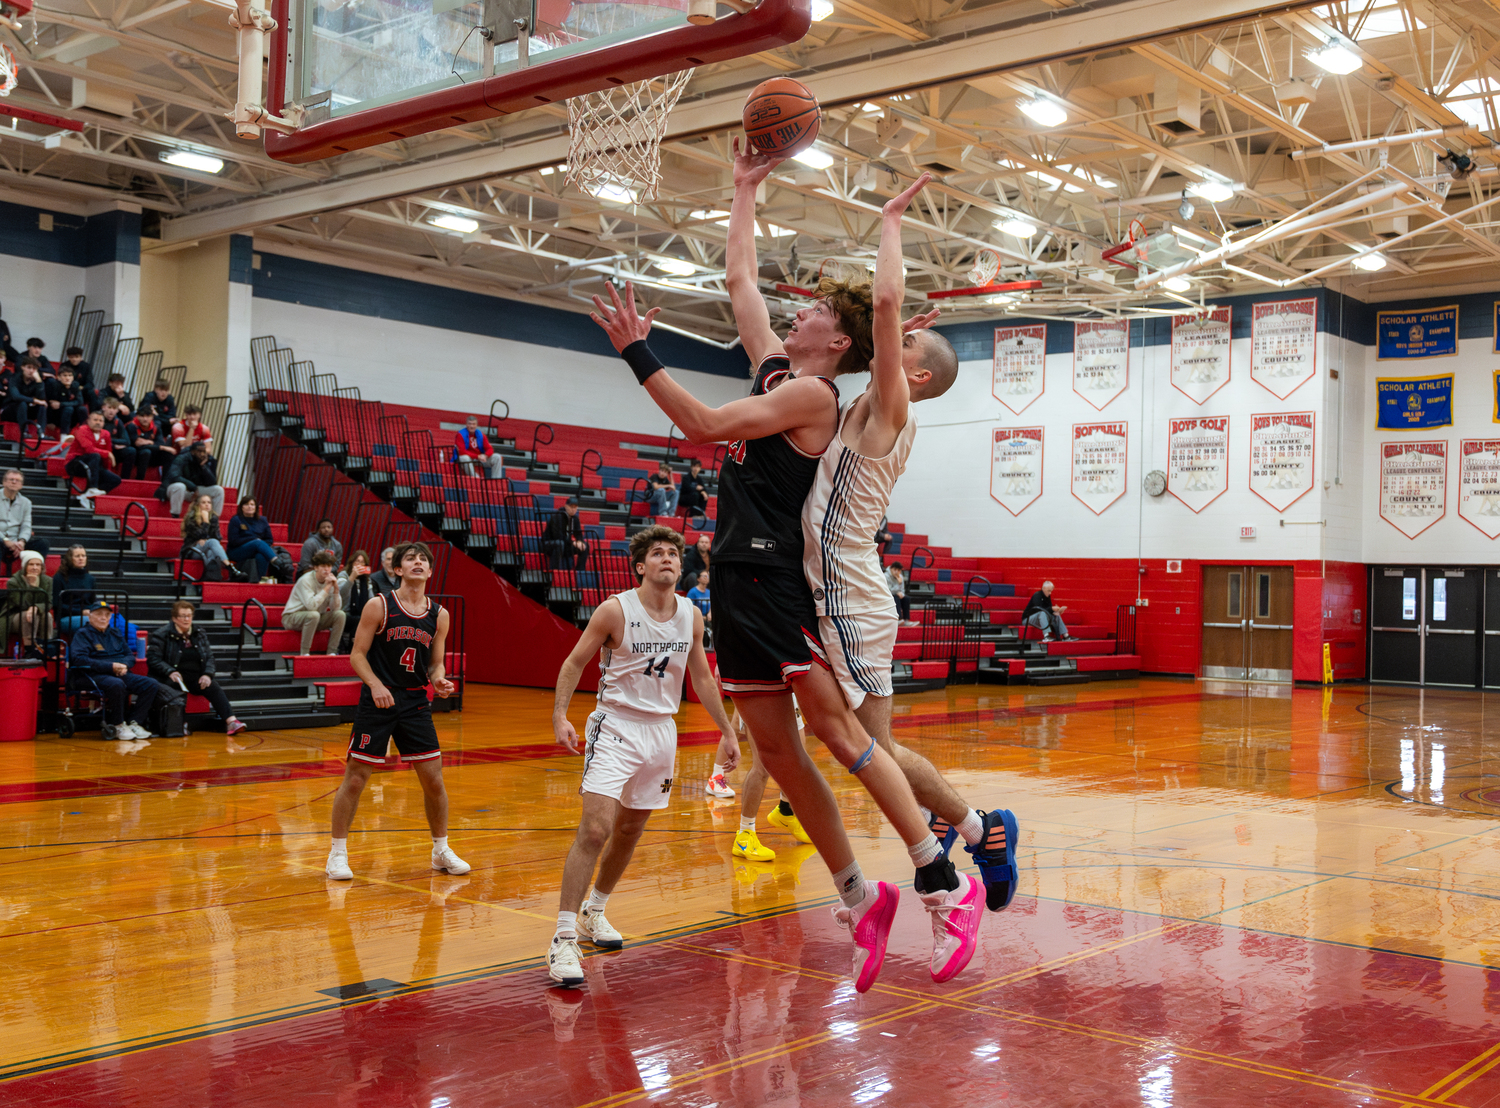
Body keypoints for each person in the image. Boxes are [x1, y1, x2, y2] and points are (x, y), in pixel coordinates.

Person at [588, 199, 967, 991]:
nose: (799, 311)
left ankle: (943, 873)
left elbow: (698, 423)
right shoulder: (781, 375)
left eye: (820, 311)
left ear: (839, 343)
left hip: (783, 582)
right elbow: (740, 285)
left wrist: (638, 351)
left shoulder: (815, 400)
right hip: (735, 582)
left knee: (843, 736)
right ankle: (862, 897)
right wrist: (744, 187)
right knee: (783, 756)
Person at [791, 174, 1017, 923]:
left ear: (916, 375)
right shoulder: (866, 399)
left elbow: (885, 307)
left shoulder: (892, 407)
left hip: (850, 594)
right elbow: (877, 323)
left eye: (908, 344)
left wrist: (890, 224)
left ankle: (977, 836)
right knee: (866, 749)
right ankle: (982, 832)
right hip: (838, 589)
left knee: (872, 752)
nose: (897, 336)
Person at [545, 525, 738, 986]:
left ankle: (596, 910)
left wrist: (727, 730)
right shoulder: (616, 610)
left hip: (661, 732)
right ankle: (563, 939)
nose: (668, 559)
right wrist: (559, 717)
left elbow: (703, 679)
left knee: (631, 829)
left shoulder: (691, 614)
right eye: (657, 553)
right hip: (615, 725)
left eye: (674, 553)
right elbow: (574, 662)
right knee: (595, 829)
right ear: (640, 566)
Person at [326, 541, 466, 881]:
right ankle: (337, 854)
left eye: (424, 560)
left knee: (434, 779)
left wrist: (441, 680)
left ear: (430, 571)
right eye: (410, 559)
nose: (418, 563)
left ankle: (440, 849)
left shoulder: (440, 615)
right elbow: (357, 655)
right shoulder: (380, 605)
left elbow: (434, 665)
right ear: (397, 570)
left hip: (415, 702)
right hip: (378, 700)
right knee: (357, 778)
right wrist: (375, 684)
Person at [146, 600, 247, 736]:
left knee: (213, 686)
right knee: (176, 687)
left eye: (189, 615)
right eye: (183, 616)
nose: (187, 619)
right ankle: (180, 724)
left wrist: (207, 674)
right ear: (174, 618)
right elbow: (153, 659)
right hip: (170, 677)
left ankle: (231, 722)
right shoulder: (162, 634)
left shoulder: (199, 632)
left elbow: (209, 657)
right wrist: (170, 671)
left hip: (194, 677)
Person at [69, 600, 158, 740]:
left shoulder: (115, 633)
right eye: (99, 614)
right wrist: (111, 666)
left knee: (150, 684)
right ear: (90, 616)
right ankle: (117, 724)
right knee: (116, 684)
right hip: (90, 675)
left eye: (107, 615)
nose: (103, 618)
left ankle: (135, 722)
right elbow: (79, 659)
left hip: (118, 673)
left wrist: (124, 666)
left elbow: (130, 656)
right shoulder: (82, 634)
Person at [282, 551, 347, 655]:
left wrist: (335, 590)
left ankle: (332, 652)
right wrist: (326, 588)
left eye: (329, 566)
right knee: (313, 614)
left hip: (314, 618)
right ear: (316, 567)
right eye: (323, 566)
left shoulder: (329, 581)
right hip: (291, 617)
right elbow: (311, 606)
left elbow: (336, 608)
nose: (327, 569)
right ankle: (304, 653)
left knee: (340, 615)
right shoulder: (306, 580)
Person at [64, 409, 121, 505]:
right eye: (95, 420)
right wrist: (108, 454)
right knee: (95, 455)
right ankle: (92, 488)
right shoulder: (82, 430)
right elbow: (89, 449)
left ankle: (87, 496)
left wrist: (107, 468)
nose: (98, 423)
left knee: (115, 479)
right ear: (89, 421)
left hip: (93, 466)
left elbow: (107, 455)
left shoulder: (106, 434)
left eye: (100, 421)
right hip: (75, 463)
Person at [0, 468, 48, 572]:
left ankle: (34, 575)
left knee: (42, 543)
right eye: (11, 479)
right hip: (1, 538)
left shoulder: (26, 503)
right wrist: (6, 540)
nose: (14, 482)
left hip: (16, 540)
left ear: (21, 485)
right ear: (4, 482)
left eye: (17, 480)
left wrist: (22, 541)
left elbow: (26, 525)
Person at [5, 549, 52, 658]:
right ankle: (29, 651)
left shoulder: (48, 581)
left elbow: (49, 602)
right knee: (28, 615)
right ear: (25, 566)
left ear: (42, 567)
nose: (35, 567)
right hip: (13, 617)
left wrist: (35, 608)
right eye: (31, 564)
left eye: (38, 565)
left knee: (47, 616)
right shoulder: (14, 582)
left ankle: (46, 648)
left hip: (36, 614)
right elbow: (20, 604)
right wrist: (33, 587)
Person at [161, 440, 224, 516]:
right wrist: (193, 487)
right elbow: (174, 476)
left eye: (204, 452)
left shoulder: (208, 460)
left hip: (195, 491)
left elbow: (213, 482)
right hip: (177, 489)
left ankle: (214, 519)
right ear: (193, 452)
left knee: (219, 490)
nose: (202, 454)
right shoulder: (181, 458)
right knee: (180, 486)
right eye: (199, 451)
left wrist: (203, 467)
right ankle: (175, 515)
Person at [181, 493, 235, 581]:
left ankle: (210, 579)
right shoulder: (191, 519)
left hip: (207, 548)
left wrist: (206, 539)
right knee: (212, 542)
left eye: (209, 502)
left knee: (211, 551)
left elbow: (217, 537)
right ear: (198, 505)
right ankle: (230, 568)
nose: (207, 504)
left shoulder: (213, 518)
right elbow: (199, 536)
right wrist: (205, 522)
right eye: (204, 502)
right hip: (192, 550)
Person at [227, 497, 280, 581]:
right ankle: (276, 561)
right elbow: (233, 541)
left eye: (252, 504)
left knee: (261, 555)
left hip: (257, 549)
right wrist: (253, 540)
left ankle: (259, 581)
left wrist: (257, 543)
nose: (249, 507)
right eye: (246, 504)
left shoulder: (262, 520)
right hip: (237, 551)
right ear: (241, 507)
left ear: (256, 507)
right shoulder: (236, 520)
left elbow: (269, 540)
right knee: (257, 543)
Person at [53, 544, 96, 633]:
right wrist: (81, 612)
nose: (81, 558)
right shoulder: (59, 578)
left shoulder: (90, 579)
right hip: (66, 617)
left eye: (83, 556)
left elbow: (93, 602)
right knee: (88, 622)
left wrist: (91, 611)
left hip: (88, 615)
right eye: (77, 556)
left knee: (114, 621)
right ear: (70, 558)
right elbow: (57, 605)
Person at [338, 550, 375, 653]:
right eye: (357, 561)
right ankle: (351, 650)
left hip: (360, 614)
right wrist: (352, 578)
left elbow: (371, 599)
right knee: (359, 621)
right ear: (352, 562)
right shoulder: (344, 575)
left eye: (362, 562)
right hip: (344, 613)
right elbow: (341, 595)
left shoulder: (366, 580)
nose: (359, 564)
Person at [543, 496, 588, 570]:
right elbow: (557, 536)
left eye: (575, 507)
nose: (573, 509)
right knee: (560, 543)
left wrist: (580, 541)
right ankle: (555, 571)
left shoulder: (575, 519)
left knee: (585, 546)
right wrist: (573, 542)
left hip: (565, 544)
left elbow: (579, 533)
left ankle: (580, 571)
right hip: (549, 544)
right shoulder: (557, 517)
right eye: (571, 507)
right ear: (566, 506)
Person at [452, 415, 503, 479]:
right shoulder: (460, 434)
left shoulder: (480, 434)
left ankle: (496, 480)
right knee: (464, 458)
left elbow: (489, 448)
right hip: (468, 458)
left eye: (474, 424)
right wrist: (477, 456)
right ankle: (477, 479)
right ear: (466, 425)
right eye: (469, 424)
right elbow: (461, 451)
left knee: (497, 457)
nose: (472, 426)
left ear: (476, 425)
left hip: (479, 458)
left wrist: (485, 456)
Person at [46, 364, 88, 436]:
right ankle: (63, 435)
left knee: (82, 409)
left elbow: (80, 401)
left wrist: (61, 404)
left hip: (71, 416)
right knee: (69, 408)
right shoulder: (54, 386)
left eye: (70, 375)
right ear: (59, 377)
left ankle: (84, 431)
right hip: (57, 416)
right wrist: (49, 422)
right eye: (64, 375)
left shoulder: (75, 385)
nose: (67, 378)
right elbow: (50, 404)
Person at [128, 408, 170, 480]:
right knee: (146, 452)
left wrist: (150, 442)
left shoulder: (156, 427)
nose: (145, 419)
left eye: (148, 416)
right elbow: (137, 444)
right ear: (137, 416)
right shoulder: (132, 426)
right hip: (136, 456)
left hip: (151, 455)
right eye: (142, 416)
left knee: (168, 454)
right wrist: (154, 444)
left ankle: (165, 482)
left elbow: (161, 443)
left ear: (152, 417)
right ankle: (139, 480)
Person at [99, 398, 135, 479]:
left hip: (114, 449)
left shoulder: (117, 421)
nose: (111, 411)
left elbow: (127, 441)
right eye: (109, 408)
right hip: (100, 449)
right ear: (104, 407)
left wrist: (111, 442)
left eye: (114, 408)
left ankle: (124, 479)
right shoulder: (98, 419)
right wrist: (114, 445)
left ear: (117, 411)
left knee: (131, 451)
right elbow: (98, 439)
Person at [7, 359, 46, 433]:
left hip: (28, 410)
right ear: (22, 367)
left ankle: (41, 433)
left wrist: (38, 380)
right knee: (22, 403)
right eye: (29, 367)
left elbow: (42, 399)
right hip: (11, 409)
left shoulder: (37, 381)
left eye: (34, 368)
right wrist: (34, 400)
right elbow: (16, 396)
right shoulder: (15, 378)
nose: (31, 371)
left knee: (42, 407)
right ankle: (24, 432)